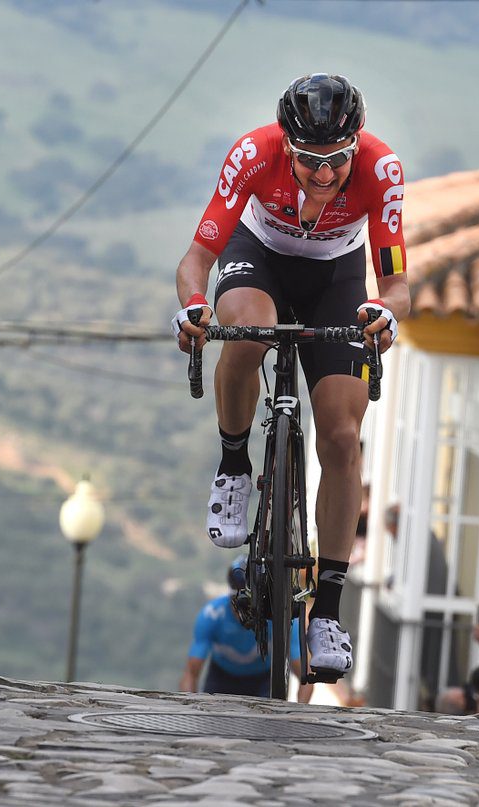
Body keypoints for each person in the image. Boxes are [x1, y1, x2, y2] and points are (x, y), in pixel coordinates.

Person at [173, 74, 411, 677]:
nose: (325, 175)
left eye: (337, 159)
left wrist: (387, 313)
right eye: (309, 161)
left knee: (340, 437)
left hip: (337, 278)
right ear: (287, 145)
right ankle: (234, 465)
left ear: (356, 145)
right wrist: (194, 306)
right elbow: (197, 259)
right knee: (247, 333)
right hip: (260, 258)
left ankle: (326, 610)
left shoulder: (382, 171)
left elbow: (397, 283)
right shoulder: (254, 154)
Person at [180, 557, 312, 701]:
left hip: (263, 681)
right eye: (239, 604)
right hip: (221, 678)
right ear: (230, 597)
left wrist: (295, 716)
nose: (244, 612)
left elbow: (305, 678)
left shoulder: (282, 619)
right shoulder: (211, 616)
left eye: (250, 605)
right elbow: (191, 674)